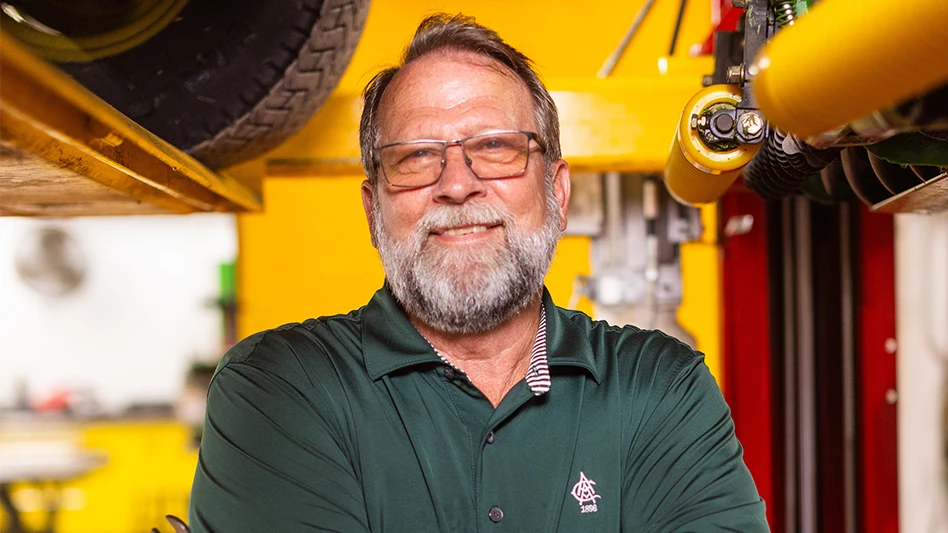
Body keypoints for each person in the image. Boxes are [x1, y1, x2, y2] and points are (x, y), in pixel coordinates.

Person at [189, 13, 768, 532]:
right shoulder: (281, 389)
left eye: (495, 146)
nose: (458, 184)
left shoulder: (661, 387)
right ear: (373, 210)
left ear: (557, 192)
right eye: (416, 156)